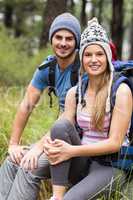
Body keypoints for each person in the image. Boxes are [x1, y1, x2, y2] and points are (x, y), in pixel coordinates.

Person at [44, 17, 133, 200]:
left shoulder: (121, 91)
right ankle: (57, 196)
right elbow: (62, 130)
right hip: (83, 163)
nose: (93, 60)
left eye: (99, 54)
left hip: (111, 167)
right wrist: (47, 144)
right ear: (81, 58)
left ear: (107, 56)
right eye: (88, 54)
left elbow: (115, 143)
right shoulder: (75, 93)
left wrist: (71, 151)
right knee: (59, 127)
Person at [0, 13, 81, 200]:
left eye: (69, 39)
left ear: (76, 42)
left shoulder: (82, 69)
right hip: (59, 136)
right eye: (58, 37)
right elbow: (26, 105)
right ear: (51, 38)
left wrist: (38, 148)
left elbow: (67, 119)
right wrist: (13, 144)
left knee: (29, 166)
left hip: (80, 143)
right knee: (12, 161)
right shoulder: (49, 67)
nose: (63, 43)